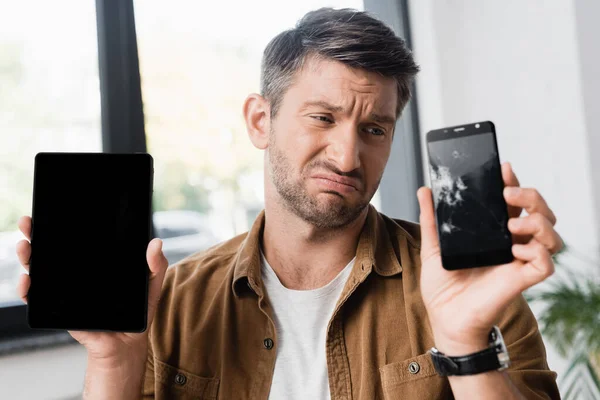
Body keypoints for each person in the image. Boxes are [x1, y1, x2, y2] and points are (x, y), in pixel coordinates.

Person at [16, 7, 563, 400]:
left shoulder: (462, 284)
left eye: (374, 128)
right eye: (322, 118)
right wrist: (113, 362)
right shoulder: (174, 303)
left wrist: (465, 344)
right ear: (261, 120)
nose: (348, 156)